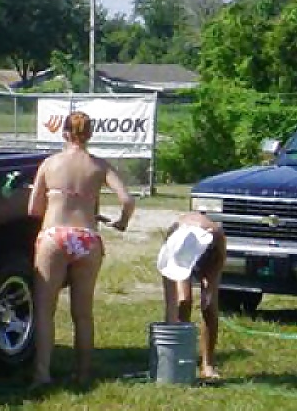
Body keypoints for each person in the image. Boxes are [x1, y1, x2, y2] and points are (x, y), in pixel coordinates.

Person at [27, 111, 135, 388]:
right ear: (89, 134)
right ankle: (84, 373)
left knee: (44, 309)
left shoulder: (49, 164)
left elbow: (33, 209)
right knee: (83, 312)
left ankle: (42, 374)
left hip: (54, 235)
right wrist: (120, 222)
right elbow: (127, 200)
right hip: (87, 238)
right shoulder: (99, 166)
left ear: (64, 133)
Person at [158, 212, 226, 380]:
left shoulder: (216, 237)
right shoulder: (174, 238)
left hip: (209, 251)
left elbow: (216, 271)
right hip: (180, 251)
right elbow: (172, 302)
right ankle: (179, 358)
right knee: (183, 302)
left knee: (209, 306)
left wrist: (209, 293)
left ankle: (207, 364)